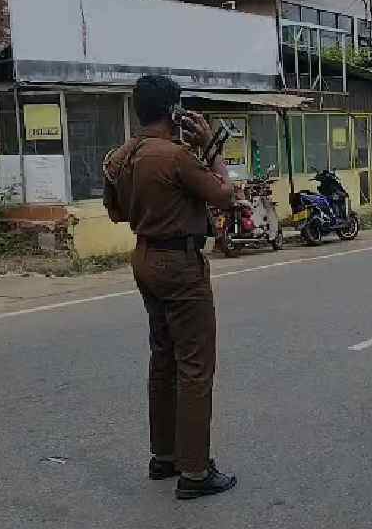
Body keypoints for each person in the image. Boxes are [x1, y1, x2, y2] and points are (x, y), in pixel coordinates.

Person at [103, 75, 238, 500]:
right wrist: (213, 152)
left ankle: (164, 455)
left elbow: (115, 212)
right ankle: (195, 472)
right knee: (195, 367)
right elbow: (224, 194)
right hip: (180, 263)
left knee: (162, 358)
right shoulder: (177, 156)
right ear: (174, 110)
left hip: (144, 258)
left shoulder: (120, 157)